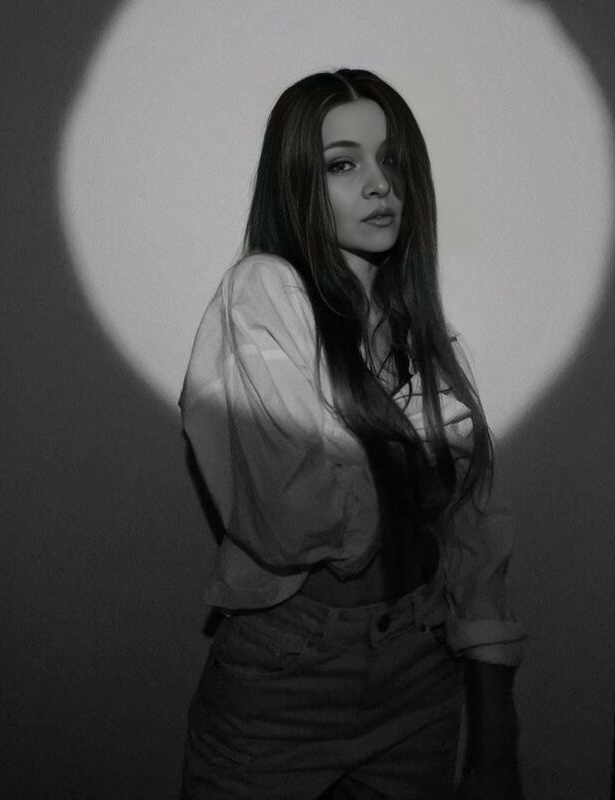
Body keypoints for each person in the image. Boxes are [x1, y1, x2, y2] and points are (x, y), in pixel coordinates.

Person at [179, 68, 526, 800]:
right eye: (343, 164)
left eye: (392, 160)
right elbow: (294, 524)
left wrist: (497, 735)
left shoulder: (432, 341)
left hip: (423, 670)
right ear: (298, 182)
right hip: (290, 678)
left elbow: (475, 538)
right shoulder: (264, 291)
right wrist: (413, 470)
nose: (380, 184)